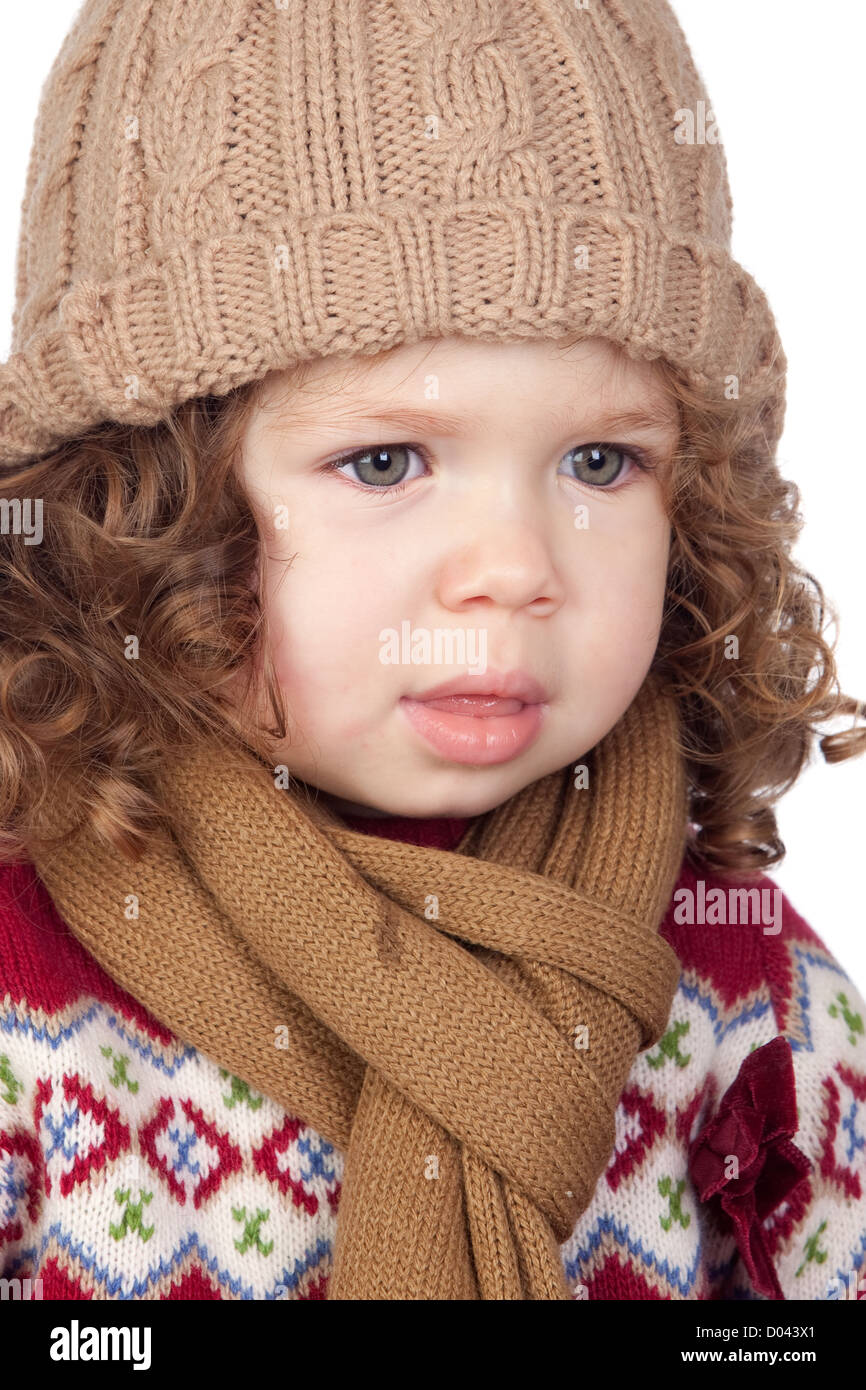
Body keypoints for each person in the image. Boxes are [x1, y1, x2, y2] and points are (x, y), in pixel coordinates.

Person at [0, 0, 864, 1302]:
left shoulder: (746, 983)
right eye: (385, 460)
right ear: (134, 504)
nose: (514, 567)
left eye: (598, 461)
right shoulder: (25, 990)